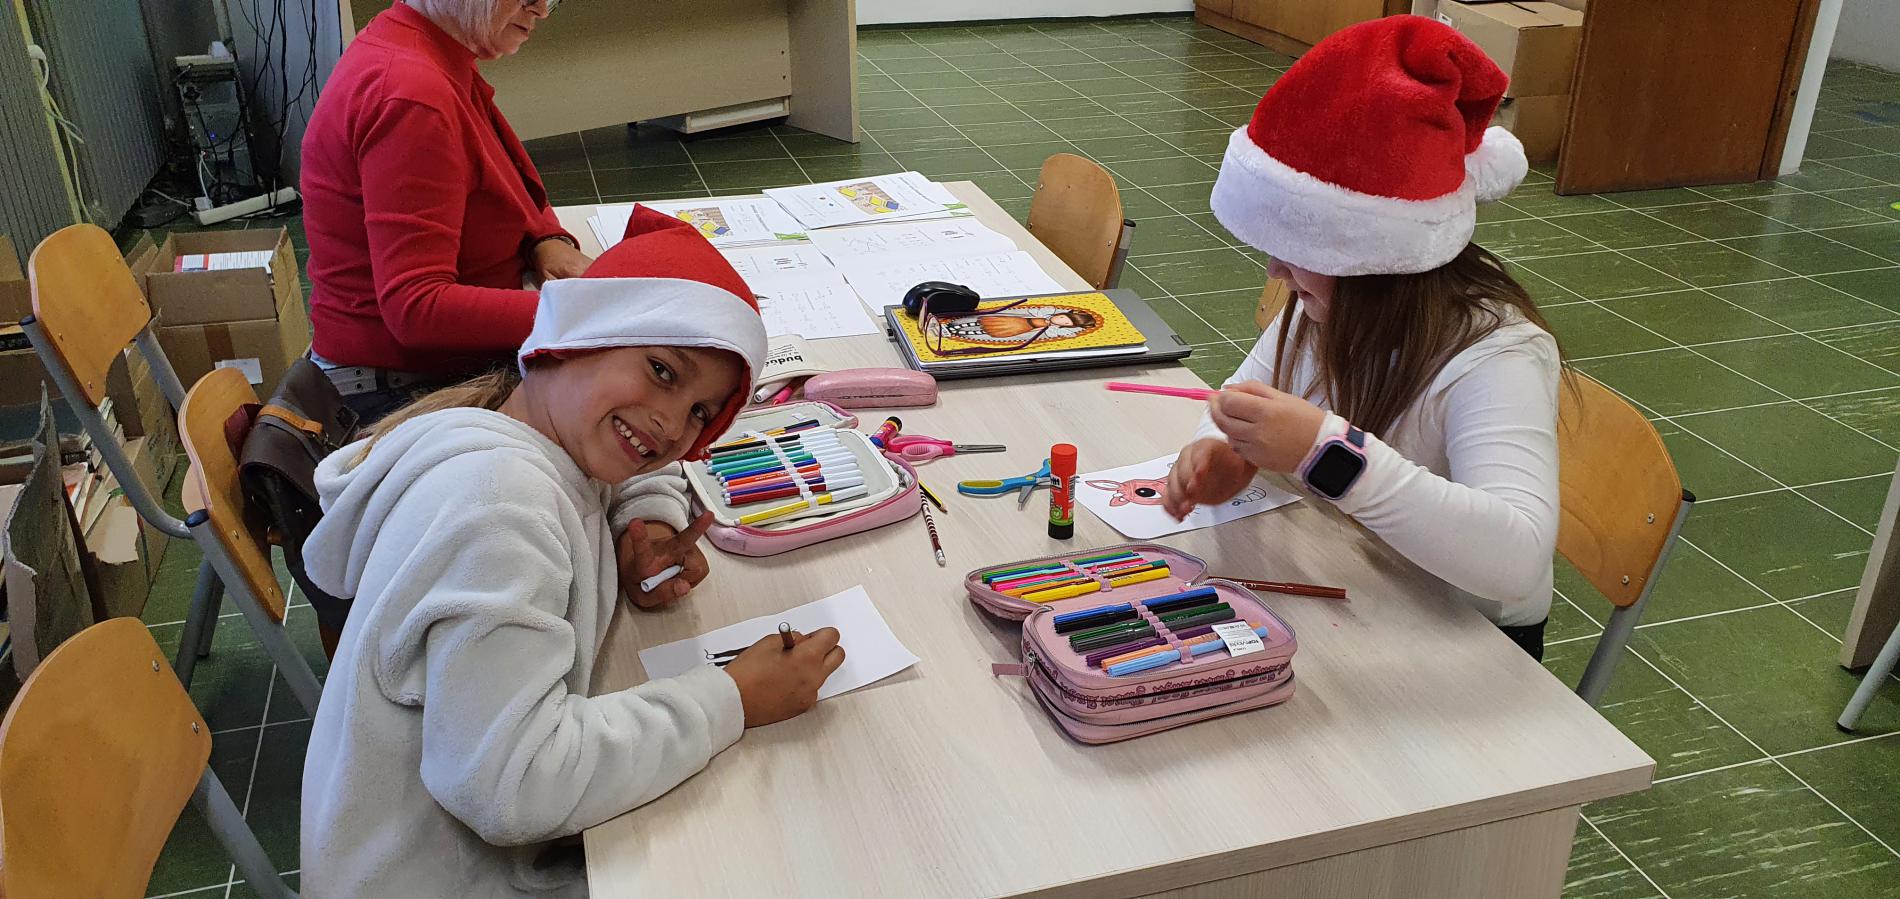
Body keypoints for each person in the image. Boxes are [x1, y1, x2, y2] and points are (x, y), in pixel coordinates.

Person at [298, 208, 845, 898]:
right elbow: (514, 783)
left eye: (701, 412)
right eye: (662, 371)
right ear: (581, 333)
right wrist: (732, 698)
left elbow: (627, 465)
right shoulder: (500, 508)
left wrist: (644, 525)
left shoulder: (530, 421)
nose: (671, 424)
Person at [1163, 16, 1564, 659]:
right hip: (1361, 586)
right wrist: (1222, 452)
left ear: (1374, 255)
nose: (1274, 271)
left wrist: (1326, 453)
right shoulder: (1328, 307)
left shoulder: (1497, 355)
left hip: (1470, 643)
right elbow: (1243, 395)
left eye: (1298, 247)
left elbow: (1517, 561)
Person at [301, 0, 595, 423]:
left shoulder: (429, 48)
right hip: (398, 386)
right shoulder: (413, 92)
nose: (541, 10)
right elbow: (416, 307)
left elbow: (507, 179)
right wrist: (583, 312)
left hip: (421, 368)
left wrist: (546, 240)